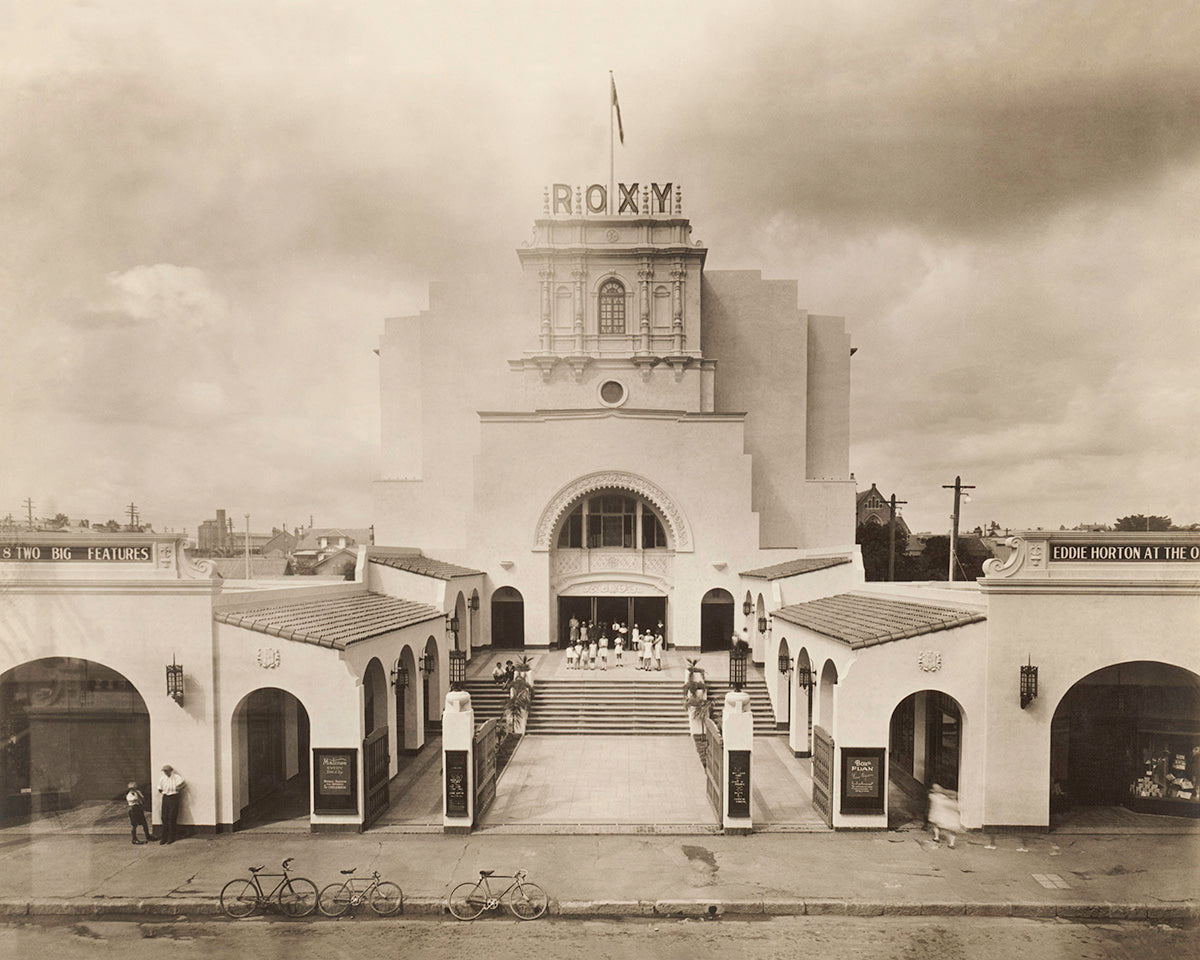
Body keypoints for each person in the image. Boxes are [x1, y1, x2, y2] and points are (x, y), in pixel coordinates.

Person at [157, 764, 185, 845]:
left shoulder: (176, 777)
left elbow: (183, 784)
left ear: (170, 770)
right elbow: (159, 787)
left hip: (174, 797)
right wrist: (162, 791)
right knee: (164, 817)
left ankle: (171, 837)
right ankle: (164, 837)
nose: (165, 772)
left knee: (172, 817)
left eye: (167, 771)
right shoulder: (162, 778)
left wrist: (179, 788)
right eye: (164, 771)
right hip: (165, 797)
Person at [928, 783, 960, 848]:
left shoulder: (936, 797)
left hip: (942, 815)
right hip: (947, 816)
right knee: (950, 829)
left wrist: (941, 791)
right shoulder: (942, 798)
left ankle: (937, 837)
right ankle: (951, 843)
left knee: (938, 825)